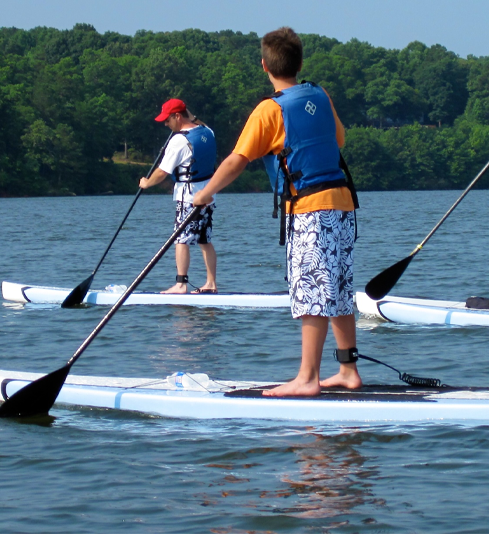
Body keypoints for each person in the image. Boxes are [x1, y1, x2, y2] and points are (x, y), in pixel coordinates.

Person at [193, 27, 360, 397]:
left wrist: (204, 193)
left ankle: (307, 378)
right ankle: (348, 370)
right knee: (339, 287)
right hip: (343, 204)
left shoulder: (270, 110)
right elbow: (339, 139)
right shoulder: (320, 93)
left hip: (309, 209)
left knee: (313, 290)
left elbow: (238, 160)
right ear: (299, 63)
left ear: (264, 65)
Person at [139, 99, 218, 294]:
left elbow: (162, 172)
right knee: (204, 239)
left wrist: (146, 183)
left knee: (180, 239)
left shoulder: (179, 140)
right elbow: (197, 122)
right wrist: (189, 113)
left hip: (188, 197)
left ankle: (181, 284)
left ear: (177, 116)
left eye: (167, 120)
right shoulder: (208, 132)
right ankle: (211, 283)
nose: (166, 125)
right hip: (208, 195)